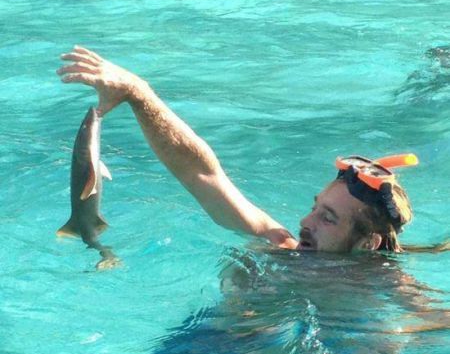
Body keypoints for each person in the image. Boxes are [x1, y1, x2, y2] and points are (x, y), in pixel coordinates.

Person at [57, 46, 427, 256]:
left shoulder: (392, 296)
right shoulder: (280, 245)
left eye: (327, 218)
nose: (304, 222)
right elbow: (202, 173)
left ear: (367, 244)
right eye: (315, 208)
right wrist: (138, 93)